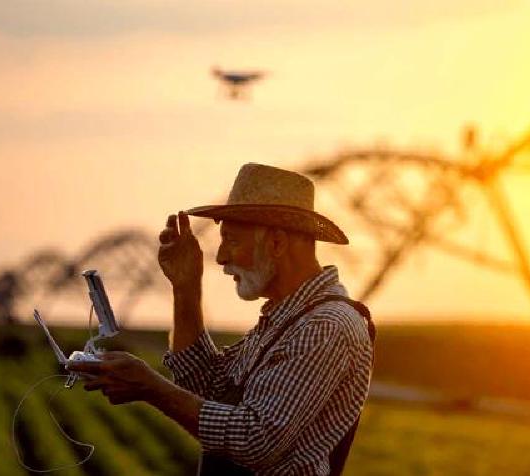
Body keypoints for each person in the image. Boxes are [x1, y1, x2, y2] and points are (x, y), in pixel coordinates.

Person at [69, 163, 375, 475]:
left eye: (231, 240)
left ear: (277, 243)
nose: (220, 257)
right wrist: (185, 288)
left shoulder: (325, 326)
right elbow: (208, 389)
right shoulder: (287, 318)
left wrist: (152, 388)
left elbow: (255, 440)